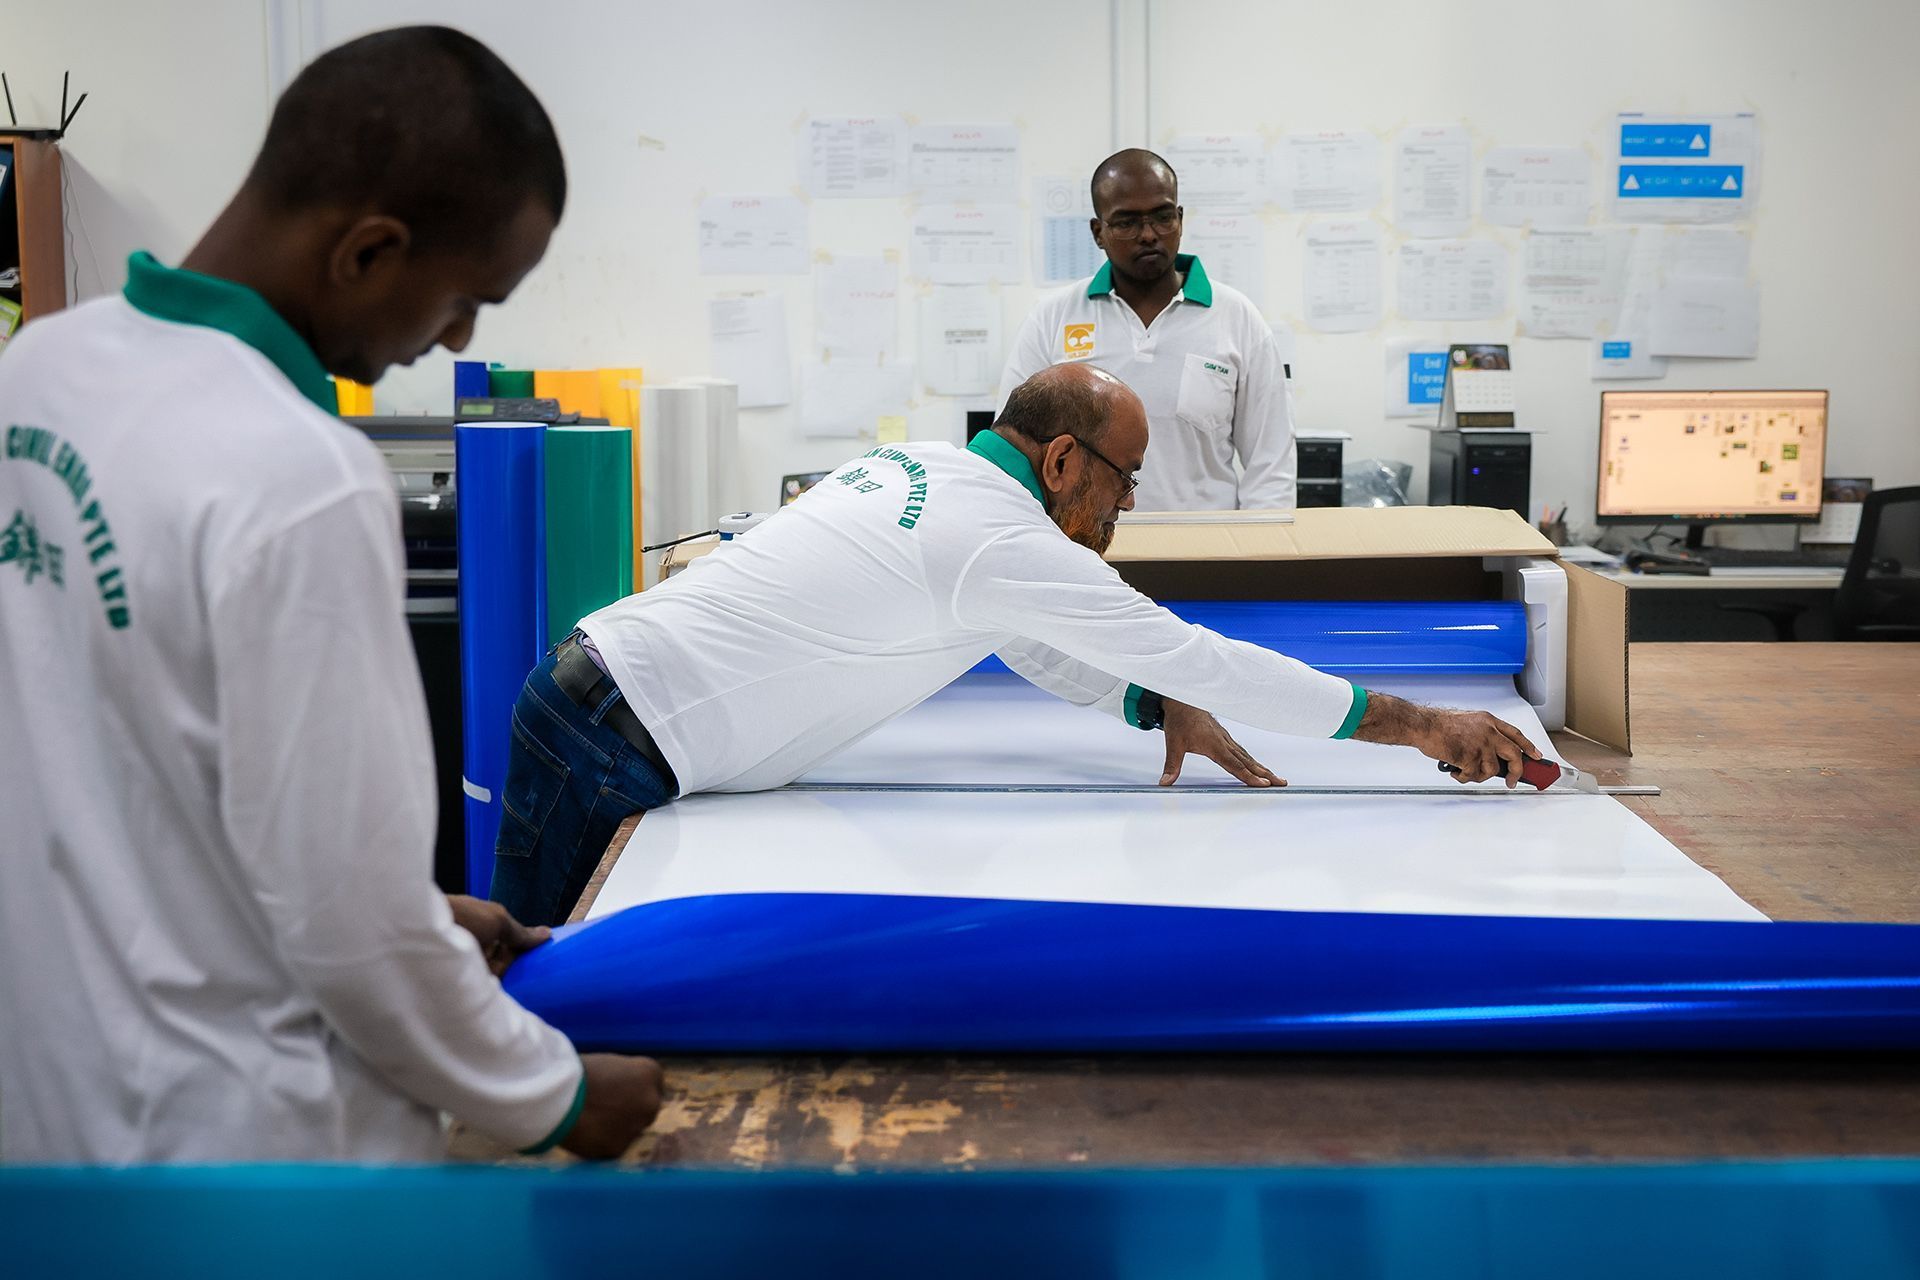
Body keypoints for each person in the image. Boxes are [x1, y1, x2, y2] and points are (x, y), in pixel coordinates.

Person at [0, 26, 660, 1163]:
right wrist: (548, 1089)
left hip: (56, 1129)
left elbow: (114, 773)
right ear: (367, 249)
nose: (455, 335)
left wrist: (422, 918)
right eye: (465, 298)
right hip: (249, 1155)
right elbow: (349, 927)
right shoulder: (299, 472)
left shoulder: (35, 377)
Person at [489, 362, 1539, 926]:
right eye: (1126, 477)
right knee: (536, 1021)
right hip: (613, 739)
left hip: (594, 694)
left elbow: (1021, 633)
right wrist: (1420, 721)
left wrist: (1144, 705)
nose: (1130, 501)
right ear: (1064, 461)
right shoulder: (1002, 537)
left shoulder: (927, 467)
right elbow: (1204, 656)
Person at [997, 148, 1295, 511]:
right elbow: (1013, 450)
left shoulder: (1237, 318)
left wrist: (1257, 556)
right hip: (1082, 551)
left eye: (1163, 216)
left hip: (1208, 553)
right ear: (1098, 232)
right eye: (1126, 222)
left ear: (1180, 219)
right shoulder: (1051, 318)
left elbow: (1271, 465)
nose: (1149, 234)